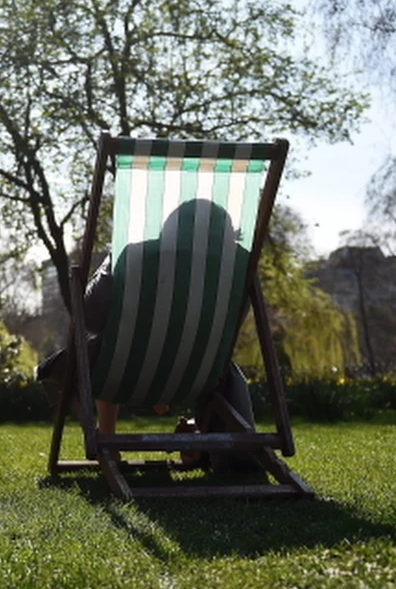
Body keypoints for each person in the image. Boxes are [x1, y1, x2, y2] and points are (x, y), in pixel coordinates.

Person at [36, 199, 258, 464]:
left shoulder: (137, 256)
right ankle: (186, 422)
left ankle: (107, 441)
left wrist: (111, 262)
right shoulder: (240, 265)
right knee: (120, 346)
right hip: (197, 373)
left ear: (168, 228)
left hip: (126, 370)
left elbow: (92, 318)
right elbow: (232, 325)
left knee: (100, 351)